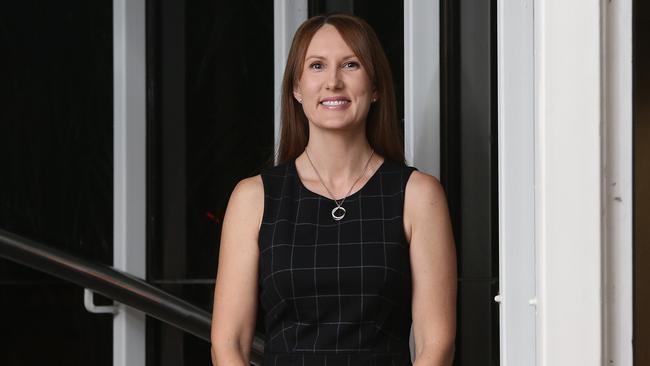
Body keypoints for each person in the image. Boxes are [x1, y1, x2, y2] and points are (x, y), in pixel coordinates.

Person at [211, 13, 456, 366]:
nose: (333, 82)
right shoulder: (253, 198)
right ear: (296, 88)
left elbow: (437, 345)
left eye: (351, 65)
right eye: (317, 66)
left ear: (375, 89)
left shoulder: (418, 195)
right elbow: (228, 343)